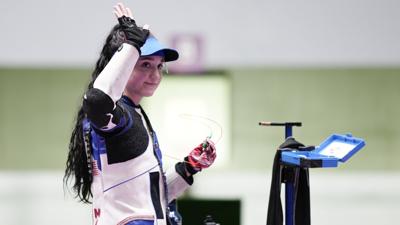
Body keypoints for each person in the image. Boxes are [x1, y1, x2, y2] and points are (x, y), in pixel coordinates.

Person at [64, 3, 217, 225]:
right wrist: (131, 45)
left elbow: (151, 200)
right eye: (145, 64)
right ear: (124, 64)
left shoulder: (133, 114)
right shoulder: (119, 118)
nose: (155, 75)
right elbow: (96, 100)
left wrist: (188, 168)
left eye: (158, 66)